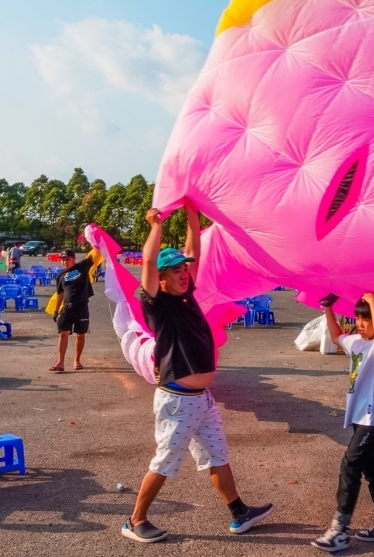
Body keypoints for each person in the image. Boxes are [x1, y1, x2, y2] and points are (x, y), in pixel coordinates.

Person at [123, 202, 272, 544]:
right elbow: (148, 261)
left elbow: (194, 251)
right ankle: (135, 520)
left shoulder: (187, 295)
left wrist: (193, 214)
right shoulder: (157, 304)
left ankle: (239, 512)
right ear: (160, 279)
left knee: (217, 455)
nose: (182, 273)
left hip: (201, 399)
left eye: (183, 270)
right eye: (174, 271)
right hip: (177, 402)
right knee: (166, 461)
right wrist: (155, 226)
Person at [312, 292, 374, 552]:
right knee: (373, 471)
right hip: (360, 416)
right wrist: (328, 309)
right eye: (358, 318)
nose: (361, 324)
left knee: (350, 466)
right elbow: (337, 336)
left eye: (367, 319)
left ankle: (339, 531)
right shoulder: (357, 343)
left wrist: (373, 301)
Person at [50, 248, 95, 372]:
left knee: (80, 334)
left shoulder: (82, 267)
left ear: (74, 259)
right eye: (63, 260)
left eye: (67, 259)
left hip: (82, 306)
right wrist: (55, 311)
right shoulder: (60, 276)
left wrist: (97, 240)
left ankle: (77, 360)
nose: (65, 262)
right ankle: (60, 363)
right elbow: (59, 294)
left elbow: (94, 255)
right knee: (63, 333)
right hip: (67, 307)